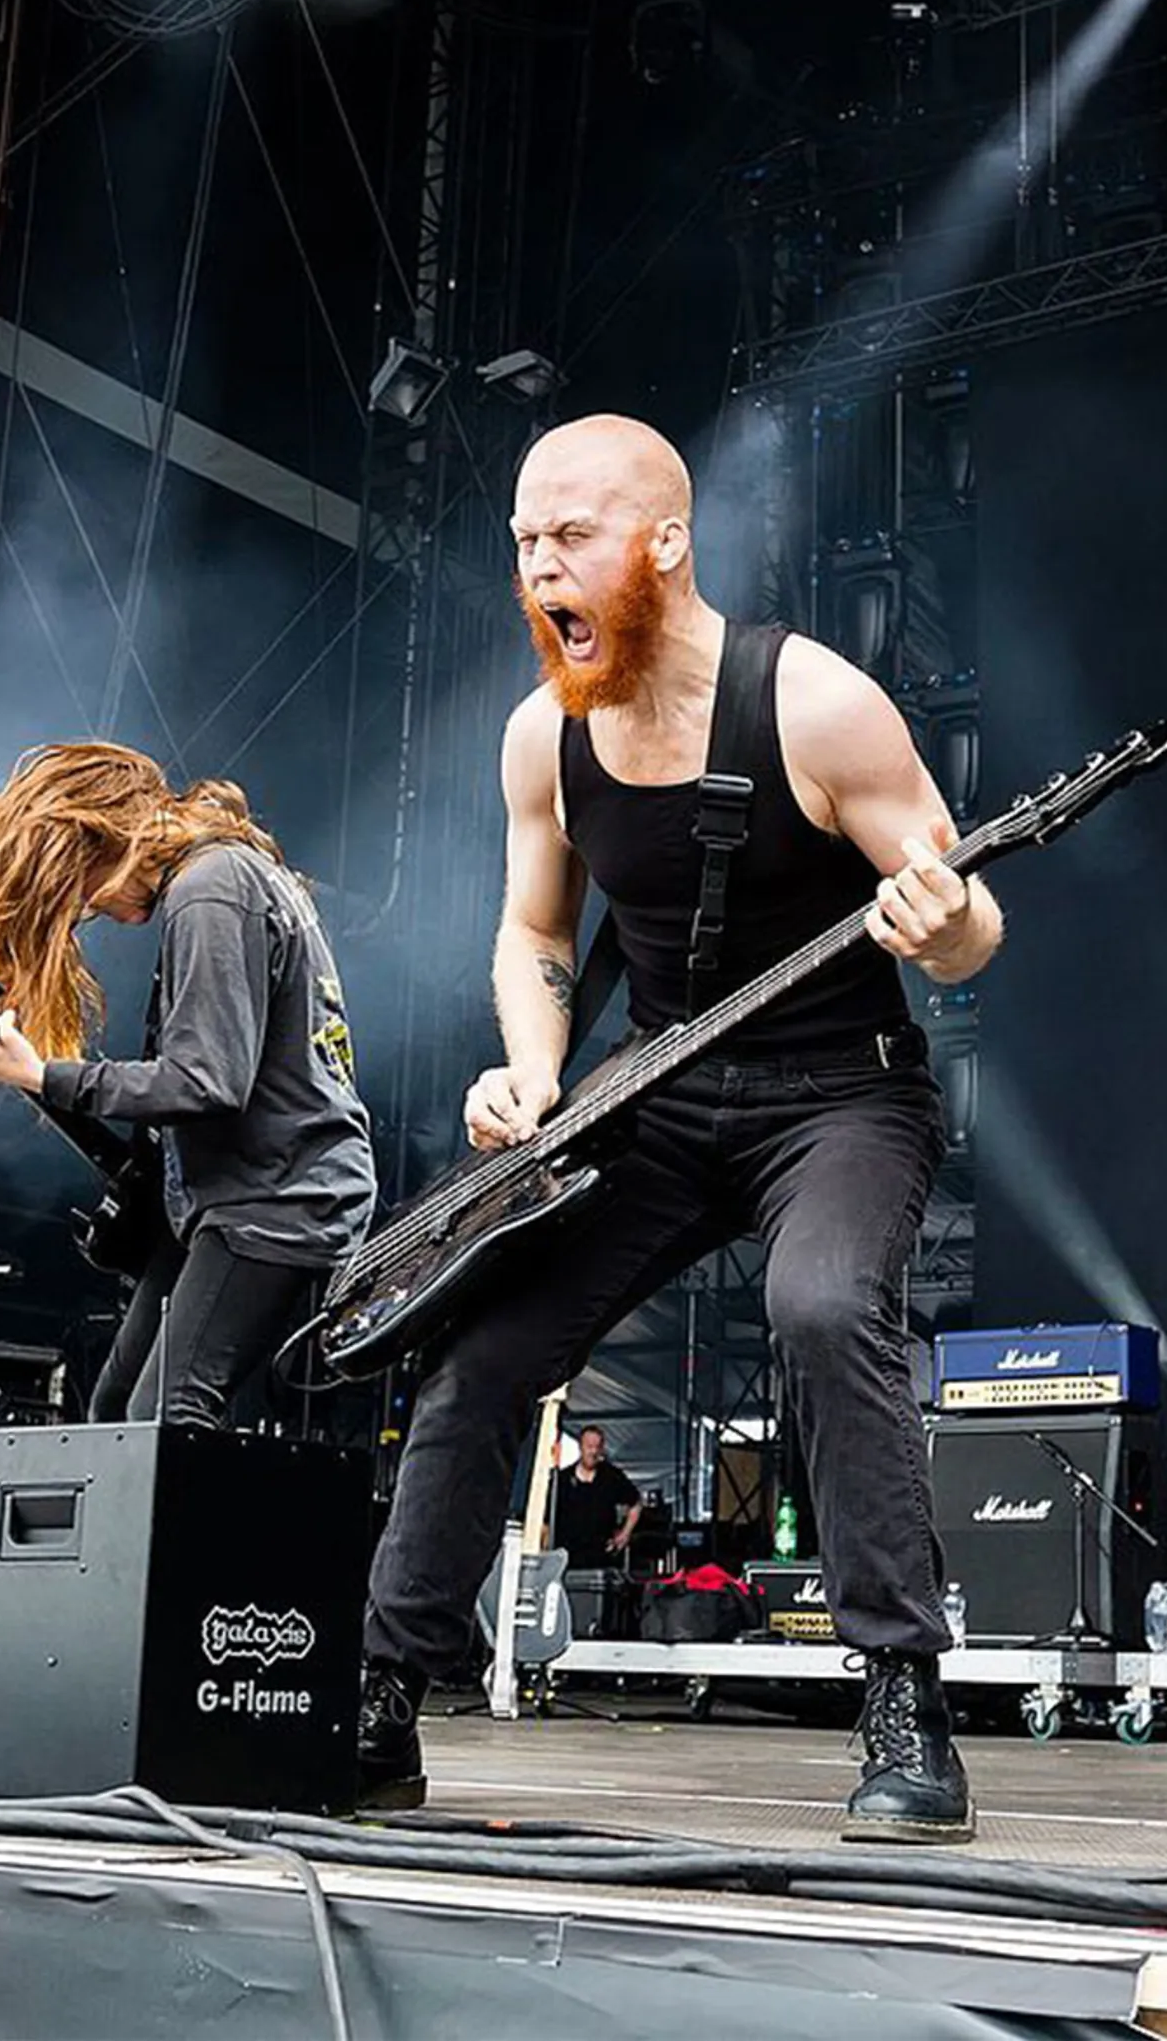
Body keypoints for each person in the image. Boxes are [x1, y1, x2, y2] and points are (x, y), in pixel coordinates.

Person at [350, 415, 1006, 1840]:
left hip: (840, 1094)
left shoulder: (816, 705)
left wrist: (942, 920)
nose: (538, 571)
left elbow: (973, 922)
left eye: (568, 538)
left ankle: (904, 1694)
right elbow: (535, 931)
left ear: (663, 540)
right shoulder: (547, 734)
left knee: (823, 1305)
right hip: (653, 1095)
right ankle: (383, 1692)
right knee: (483, 1346)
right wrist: (529, 1072)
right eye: (523, 546)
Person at [0, 743, 373, 1430]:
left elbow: (207, 1080)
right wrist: (32, 1074)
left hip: (278, 1199)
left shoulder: (212, 885)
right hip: (236, 1194)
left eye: (83, 890)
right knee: (113, 1412)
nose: (91, 908)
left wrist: (43, 1073)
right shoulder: (221, 876)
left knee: (167, 1414)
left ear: (104, 832)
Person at [548, 1425, 645, 1564]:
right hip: (566, 1556)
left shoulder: (612, 1477)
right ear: (580, 1447)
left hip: (601, 1556)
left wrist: (625, 1534)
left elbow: (636, 1502)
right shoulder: (561, 1480)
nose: (593, 1451)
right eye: (589, 1446)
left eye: (597, 1447)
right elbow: (545, 1520)